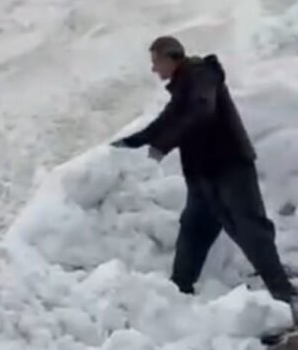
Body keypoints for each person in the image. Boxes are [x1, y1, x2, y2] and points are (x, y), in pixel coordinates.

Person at [112, 36, 297, 324]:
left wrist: (163, 145)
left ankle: (285, 295)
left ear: (170, 58)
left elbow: (202, 112)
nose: (153, 70)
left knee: (250, 227)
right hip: (203, 175)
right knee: (194, 230)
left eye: (155, 62)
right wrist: (126, 144)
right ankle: (178, 293)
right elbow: (164, 123)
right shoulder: (182, 89)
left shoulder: (202, 75)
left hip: (229, 166)